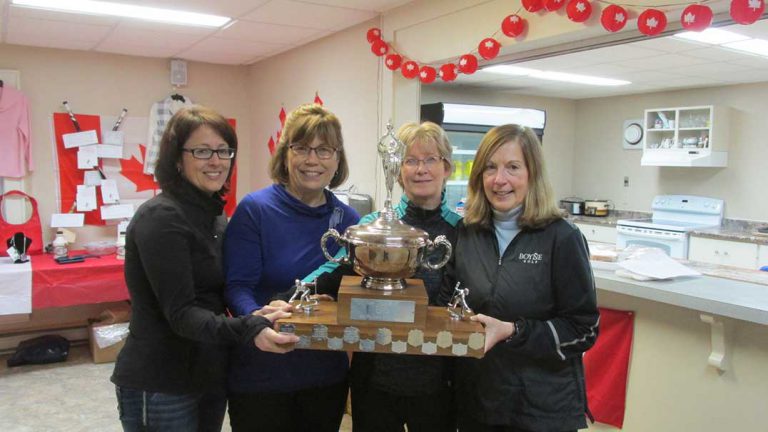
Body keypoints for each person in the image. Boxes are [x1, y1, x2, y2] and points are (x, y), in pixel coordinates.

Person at [112, 106, 299, 432]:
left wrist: (262, 310)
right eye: (201, 151)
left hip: (207, 371)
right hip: (162, 379)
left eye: (224, 151)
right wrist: (249, 327)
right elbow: (182, 313)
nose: (216, 161)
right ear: (176, 159)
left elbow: (219, 291)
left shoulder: (214, 215)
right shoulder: (162, 218)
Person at [300, 121, 461, 432]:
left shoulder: (463, 232)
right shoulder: (372, 227)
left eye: (431, 159)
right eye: (410, 160)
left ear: (447, 168)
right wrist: (295, 293)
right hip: (375, 377)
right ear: (397, 170)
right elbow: (334, 271)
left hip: (439, 379)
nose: (421, 169)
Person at [439, 124, 599, 432]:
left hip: (541, 410)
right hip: (480, 402)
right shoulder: (467, 232)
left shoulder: (562, 238)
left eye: (513, 167)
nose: (500, 180)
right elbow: (448, 302)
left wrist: (513, 331)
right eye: (490, 168)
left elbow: (584, 328)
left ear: (532, 174)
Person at [223, 103, 360, 432]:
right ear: (285, 154)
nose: (312, 160)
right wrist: (258, 324)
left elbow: (351, 294)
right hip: (262, 370)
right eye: (301, 148)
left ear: (337, 158)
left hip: (325, 373)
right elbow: (237, 287)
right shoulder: (255, 210)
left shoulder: (351, 223)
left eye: (324, 150)